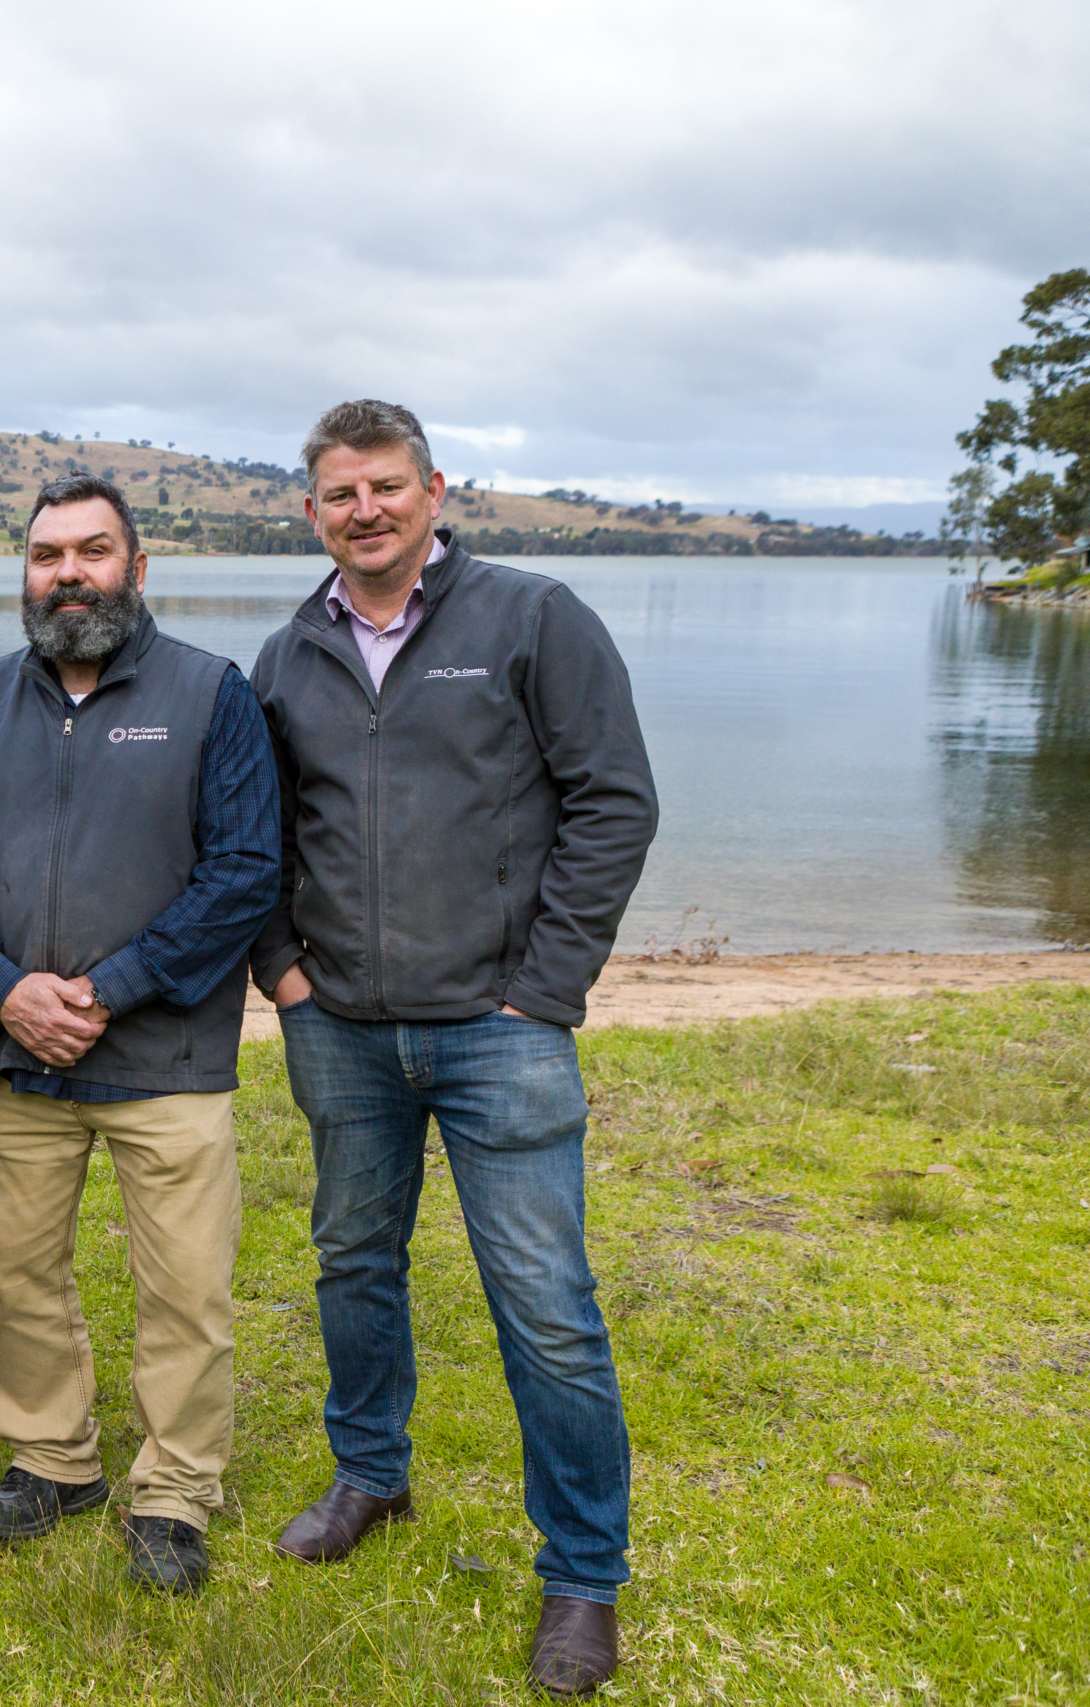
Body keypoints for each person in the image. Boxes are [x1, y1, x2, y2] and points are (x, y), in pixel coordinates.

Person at [250, 400, 657, 1696]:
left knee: (546, 1306)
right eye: (338, 492)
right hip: (344, 1032)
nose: (363, 509)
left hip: (501, 1037)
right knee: (352, 1259)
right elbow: (249, 832)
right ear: (308, 509)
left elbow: (614, 799)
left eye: (385, 485)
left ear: (433, 488)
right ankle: (372, 1471)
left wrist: (544, 989)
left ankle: (583, 1572)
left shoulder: (532, 619)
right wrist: (285, 971)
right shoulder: (286, 656)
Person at [0, 472, 282, 1595]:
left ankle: (172, 1494)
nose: (66, 575)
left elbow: (243, 872)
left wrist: (109, 989)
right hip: (12, 1054)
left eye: (89, 552)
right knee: (20, 1279)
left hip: (165, 1062)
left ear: (136, 566)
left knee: (185, 1291)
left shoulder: (212, 694)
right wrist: (4, 989)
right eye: (44, 556)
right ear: (23, 574)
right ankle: (54, 1462)